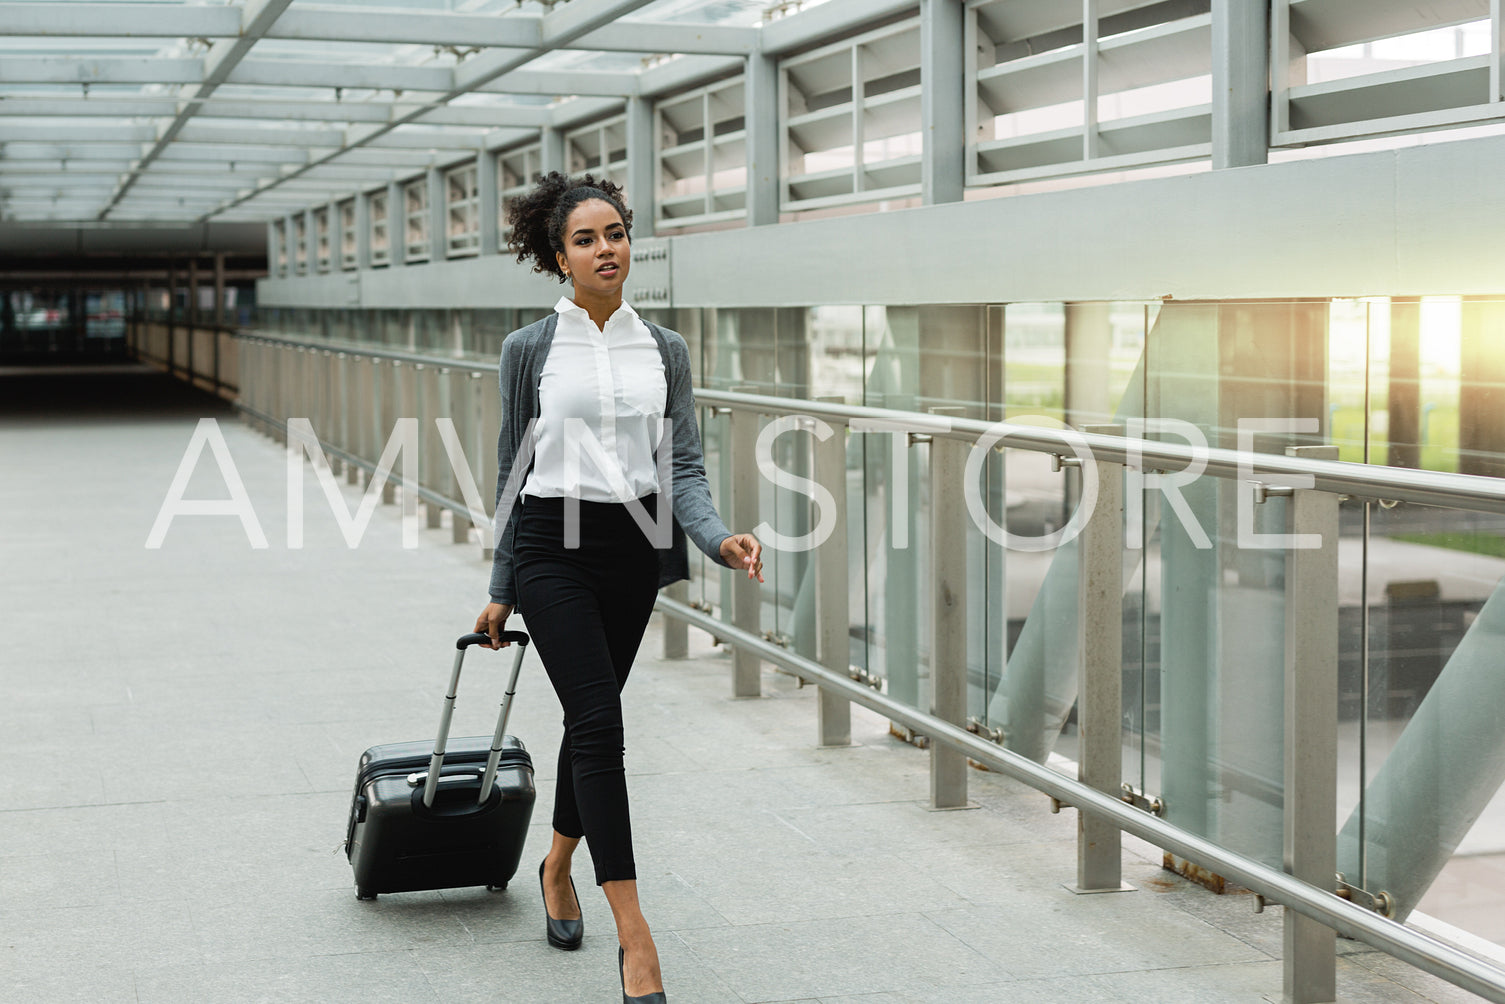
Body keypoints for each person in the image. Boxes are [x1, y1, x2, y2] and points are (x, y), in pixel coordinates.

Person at [473, 171, 763, 1004]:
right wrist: (502, 582)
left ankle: (558, 863)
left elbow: (683, 467)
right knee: (602, 722)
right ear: (557, 258)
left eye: (616, 234)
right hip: (549, 548)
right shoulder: (530, 349)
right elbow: (511, 468)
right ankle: (636, 937)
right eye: (586, 240)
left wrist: (716, 538)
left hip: (634, 549)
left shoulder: (663, 349)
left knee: (584, 719)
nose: (607, 250)